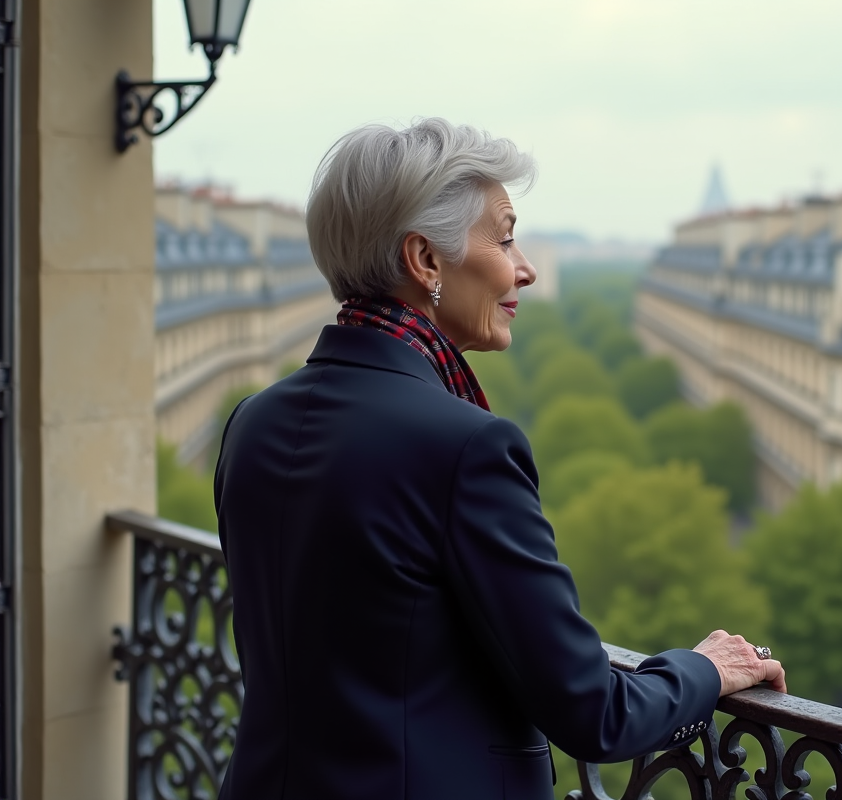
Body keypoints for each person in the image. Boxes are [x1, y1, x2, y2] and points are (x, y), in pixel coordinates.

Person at [214, 118, 785, 800]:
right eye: (506, 237)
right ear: (425, 260)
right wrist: (706, 668)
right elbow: (594, 713)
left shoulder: (253, 421)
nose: (526, 268)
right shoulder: (465, 447)